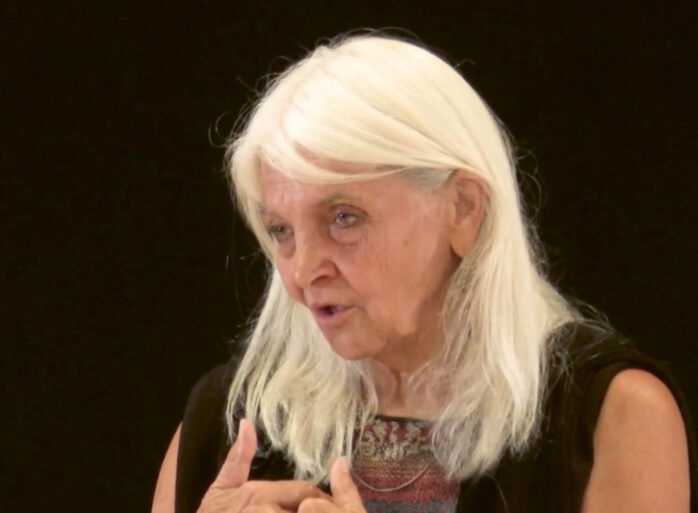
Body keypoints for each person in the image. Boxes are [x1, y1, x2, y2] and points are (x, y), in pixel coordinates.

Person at [152, 34, 694, 513]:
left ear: (463, 209)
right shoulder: (228, 423)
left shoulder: (614, 418)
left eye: (344, 218)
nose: (301, 272)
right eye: (281, 230)